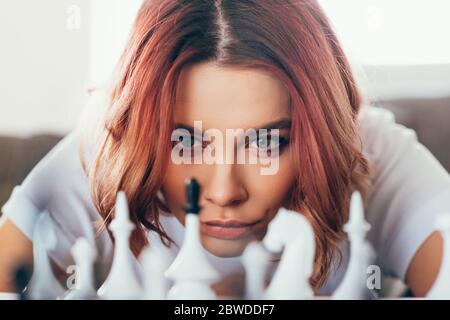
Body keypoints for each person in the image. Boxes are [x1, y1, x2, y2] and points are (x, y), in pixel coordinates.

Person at [1, 0, 450, 297]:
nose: (222, 191)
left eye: (266, 143)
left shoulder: (366, 151)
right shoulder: (110, 152)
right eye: (188, 142)